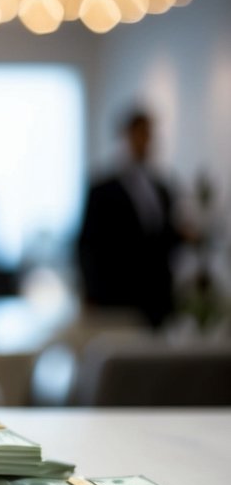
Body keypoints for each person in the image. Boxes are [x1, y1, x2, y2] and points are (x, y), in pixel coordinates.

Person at [77, 110, 183, 329]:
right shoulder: (102, 189)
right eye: (140, 134)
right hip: (118, 299)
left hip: (157, 299)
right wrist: (90, 294)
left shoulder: (162, 188)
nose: (145, 141)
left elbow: (163, 240)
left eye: (148, 135)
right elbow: (88, 245)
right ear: (126, 136)